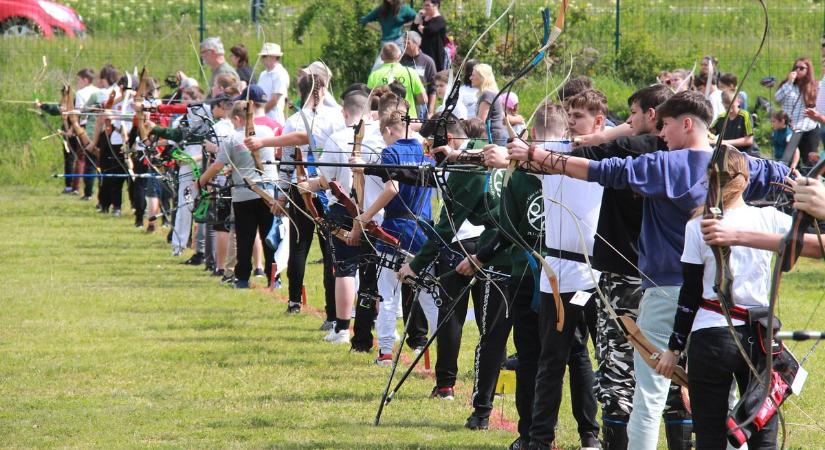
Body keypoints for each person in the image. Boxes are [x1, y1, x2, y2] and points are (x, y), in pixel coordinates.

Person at [505, 90, 790, 450]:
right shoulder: (738, 163)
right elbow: (782, 175)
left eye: (667, 126)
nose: (662, 134)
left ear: (687, 124)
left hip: (668, 292)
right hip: (716, 303)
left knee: (649, 395)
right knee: (718, 396)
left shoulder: (665, 164)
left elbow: (601, 170)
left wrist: (537, 155)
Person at [653, 147, 792, 449]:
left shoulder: (697, 225)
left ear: (709, 180)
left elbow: (690, 295)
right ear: (745, 178)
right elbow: (812, 237)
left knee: (710, 438)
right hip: (760, 335)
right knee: (762, 436)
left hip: (711, 337)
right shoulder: (771, 218)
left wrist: (674, 349)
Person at [398, 117, 511, 430]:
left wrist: (415, 266)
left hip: (474, 247)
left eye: (431, 147)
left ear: (448, 139)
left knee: (455, 317)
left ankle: (451, 386)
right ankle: (482, 386)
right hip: (489, 246)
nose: (429, 153)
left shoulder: (466, 166)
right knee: (487, 322)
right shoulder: (482, 151)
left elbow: (447, 225)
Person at [350, 98, 434, 366]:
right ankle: (442, 351)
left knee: (388, 292)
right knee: (427, 295)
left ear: (388, 130)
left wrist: (366, 215)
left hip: (396, 228)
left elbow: (392, 189)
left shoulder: (391, 152)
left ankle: (385, 353)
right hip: (423, 229)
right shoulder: (425, 151)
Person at [276, 72, 344, 316]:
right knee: (328, 248)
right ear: (322, 90)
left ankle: (295, 302)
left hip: (305, 187)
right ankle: (332, 313)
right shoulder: (335, 119)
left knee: (300, 244)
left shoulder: (294, 120)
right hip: (324, 187)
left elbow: (285, 163)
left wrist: (283, 194)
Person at [199, 100, 277, 289]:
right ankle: (274, 277)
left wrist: (200, 182)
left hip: (244, 194)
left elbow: (217, 166)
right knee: (270, 237)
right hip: (269, 194)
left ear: (237, 118)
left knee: (245, 238)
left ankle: (242, 279)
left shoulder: (232, 138)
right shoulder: (267, 132)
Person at [775, 57, 819, 168]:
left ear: (808, 71)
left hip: (809, 128)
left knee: (809, 163)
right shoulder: (787, 85)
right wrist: (789, 82)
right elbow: (777, 98)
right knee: (788, 162)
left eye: (802, 68)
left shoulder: (814, 86)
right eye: (796, 67)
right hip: (792, 130)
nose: (798, 70)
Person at [367, 42, 428, 119]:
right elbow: (423, 99)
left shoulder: (374, 75)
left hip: (384, 119)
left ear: (382, 57)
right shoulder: (410, 72)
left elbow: (369, 101)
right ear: (399, 56)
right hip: (408, 118)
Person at [360, 0, 418, 71]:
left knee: (401, 66)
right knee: (377, 68)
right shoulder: (381, 9)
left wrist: (405, 25)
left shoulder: (403, 8)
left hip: (399, 41)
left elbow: (417, 17)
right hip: (386, 43)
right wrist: (378, 29)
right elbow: (364, 20)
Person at [400, 31, 437, 118]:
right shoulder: (400, 61)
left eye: (407, 43)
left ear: (417, 43)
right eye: (403, 43)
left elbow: (433, 89)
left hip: (421, 105)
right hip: (403, 104)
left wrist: (430, 112)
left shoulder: (428, 61)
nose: (404, 46)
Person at [471, 63, 506, 145]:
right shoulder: (492, 93)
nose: (470, 78)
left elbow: (480, 122)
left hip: (491, 138)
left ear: (482, 77)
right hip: (496, 136)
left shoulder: (487, 94)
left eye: (473, 75)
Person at [710, 90, 754, 154]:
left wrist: (723, 142)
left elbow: (749, 140)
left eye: (732, 106)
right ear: (722, 103)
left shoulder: (745, 115)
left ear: (738, 102)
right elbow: (710, 132)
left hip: (744, 155)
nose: (730, 110)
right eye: (726, 107)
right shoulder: (721, 118)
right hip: (728, 156)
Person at [256, 43, 289, 126]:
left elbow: (274, 100)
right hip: (262, 119)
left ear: (273, 57)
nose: (262, 59)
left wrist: (260, 113)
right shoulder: (263, 74)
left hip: (274, 120)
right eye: (263, 56)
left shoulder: (280, 74)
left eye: (265, 56)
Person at [412, 0, 449, 71]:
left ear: (436, 5)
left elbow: (429, 30)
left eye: (428, 5)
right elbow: (413, 29)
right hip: (422, 54)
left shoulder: (440, 20)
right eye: (424, 5)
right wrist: (418, 17)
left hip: (435, 55)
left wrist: (421, 27)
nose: (425, 7)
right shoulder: (423, 18)